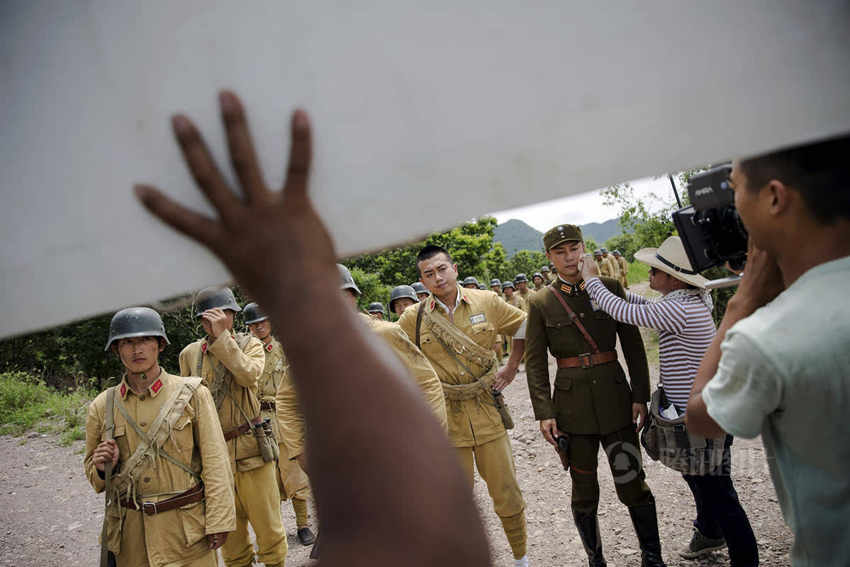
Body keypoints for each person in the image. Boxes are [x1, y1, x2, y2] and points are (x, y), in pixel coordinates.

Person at [135, 91, 489, 567]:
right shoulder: (191, 357)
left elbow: (254, 377)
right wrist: (301, 450)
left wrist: (301, 301)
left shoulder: (370, 334)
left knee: (274, 538)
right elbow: (285, 399)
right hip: (278, 455)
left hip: (325, 453)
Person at [685, 136, 850, 566]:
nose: (732, 203)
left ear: (775, 197)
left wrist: (740, 305)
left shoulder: (765, 338)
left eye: (735, 187)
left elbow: (701, 419)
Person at [580, 237, 758, 565]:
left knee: (720, 492)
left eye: (655, 271)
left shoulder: (678, 308)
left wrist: (592, 280)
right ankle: (709, 532)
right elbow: (642, 305)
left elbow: (624, 311)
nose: (649, 275)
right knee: (697, 476)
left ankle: (745, 558)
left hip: (705, 415)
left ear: (674, 278)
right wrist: (608, 287)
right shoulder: (688, 300)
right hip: (700, 412)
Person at [525, 224, 665, 567]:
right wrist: (545, 412)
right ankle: (595, 559)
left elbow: (633, 348)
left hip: (617, 402)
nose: (569, 257)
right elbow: (535, 363)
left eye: (574, 248)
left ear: (583, 248)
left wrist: (640, 396)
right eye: (560, 252)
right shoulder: (541, 301)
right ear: (549, 258)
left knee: (632, 483)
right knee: (584, 492)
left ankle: (652, 557)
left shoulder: (611, 288)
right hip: (572, 410)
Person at [398, 246, 530, 567]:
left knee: (507, 494)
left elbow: (527, 326)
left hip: (487, 411)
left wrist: (511, 367)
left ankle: (521, 558)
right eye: (429, 274)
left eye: (442, 269)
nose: (438, 277)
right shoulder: (412, 319)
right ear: (422, 281)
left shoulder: (486, 301)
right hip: (445, 421)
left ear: (454, 268)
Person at [85, 307, 235, 567]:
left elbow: (216, 462)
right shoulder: (102, 405)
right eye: (127, 343)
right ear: (117, 350)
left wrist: (219, 520)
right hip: (131, 537)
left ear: (160, 345)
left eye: (144, 340)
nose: (136, 350)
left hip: (186, 535)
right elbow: (95, 478)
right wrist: (100, 468)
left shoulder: (193, 393)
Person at [277, 264, 449, 469]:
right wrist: (300, 452)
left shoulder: (384, 333)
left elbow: (427, 383)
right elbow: (287, 400)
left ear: (354, 297)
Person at [178, 287, 288, 567]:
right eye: (210, 315)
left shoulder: (250, 345)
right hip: (214, 461)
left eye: (224, 313)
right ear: (201, 319)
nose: (217, 319)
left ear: (233, 315)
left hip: (252, 450)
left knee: (270, 533)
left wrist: (222, 339)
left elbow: (248, 375)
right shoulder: (190, 355)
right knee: (230, 540)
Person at [243, 302, 316, 546]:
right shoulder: (244, 353)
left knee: (293, 472)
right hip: (256, 419)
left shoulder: (285, 350)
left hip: (282, 416)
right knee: (267, 478)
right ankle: (276, 530)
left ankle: (303, 525)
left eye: (262, 322)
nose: (258, 327)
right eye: (253, 324)